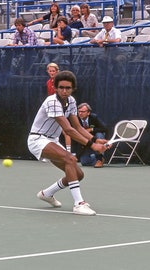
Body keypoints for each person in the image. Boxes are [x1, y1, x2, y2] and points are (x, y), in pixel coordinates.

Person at [27, 70, 108, 216]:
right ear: (56, 88)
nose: (64, 91)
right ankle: (79, 204)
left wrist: (95, 139)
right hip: (37, 139)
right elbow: (68, 130)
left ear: (73, 88)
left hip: (52, 140)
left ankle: (47, 193)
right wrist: (92, 145)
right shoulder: (52, 101)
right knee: (70, 158)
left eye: (68, 88)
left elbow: (77, 127)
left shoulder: (71, 101)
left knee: (78, 174)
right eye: (61, 88)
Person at [75, 103, 108, 168]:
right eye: (79, 111)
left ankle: (99, 159)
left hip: (96, 140)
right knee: (85, 162)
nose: (80, 113)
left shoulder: (94, 117)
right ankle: (97, 158)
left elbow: (105, 128)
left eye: (83, 112)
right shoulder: (75, 119)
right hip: (85, 143)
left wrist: (91, 129)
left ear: (88, 113)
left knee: (99, 134)